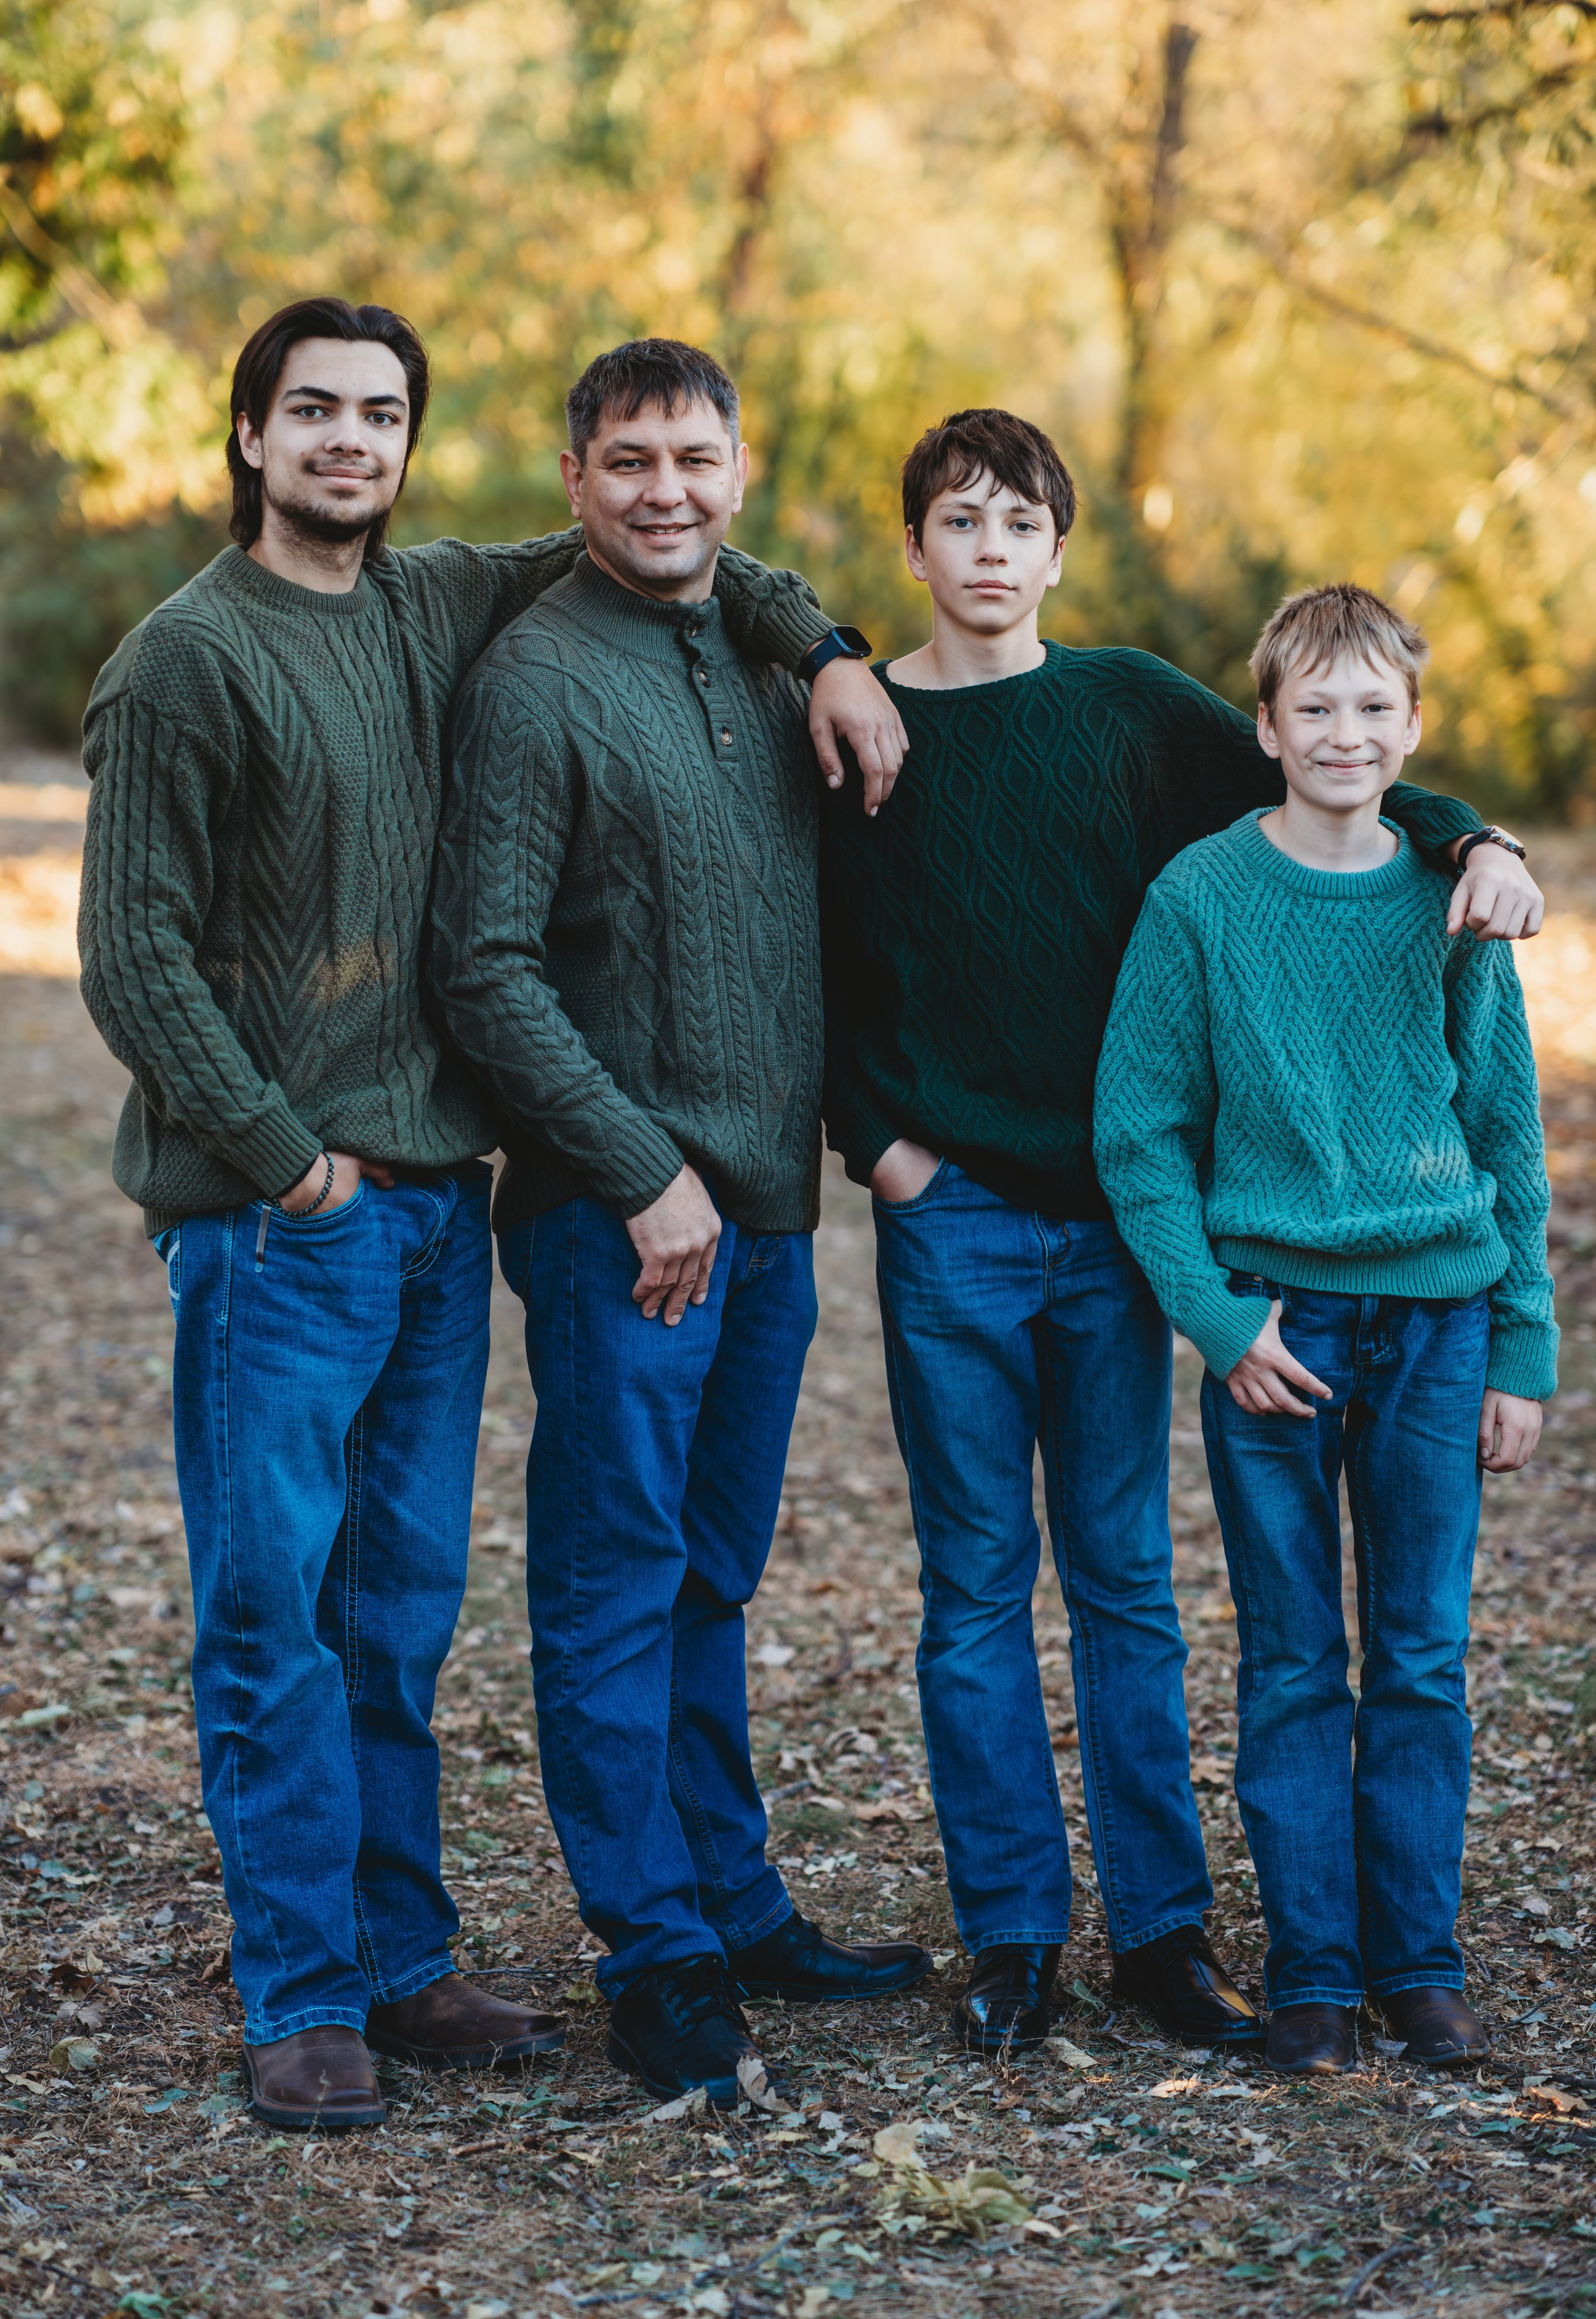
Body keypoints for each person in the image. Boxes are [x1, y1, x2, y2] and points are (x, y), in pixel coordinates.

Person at [77, 297, 906, 2133]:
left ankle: (397, 1957)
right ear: (248, 439)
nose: (348, 443)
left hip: (439, 1207)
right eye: (312, 414)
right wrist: (288, 1160)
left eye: (378, 415)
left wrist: (832, 645)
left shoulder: (436, 600)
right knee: (270, 1611)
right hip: (284, 1217)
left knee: (397, 1611)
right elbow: (130, 955)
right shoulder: (184, 660)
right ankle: (303, 1993)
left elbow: (670, 542)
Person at [818, 408, 1544, 2059]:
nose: (991, 549)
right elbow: (829, 952)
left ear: (1059, 550)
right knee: (975, 1592)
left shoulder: (1131, 704)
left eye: (1021, 523)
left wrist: (1479, 834)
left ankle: (1158, 1931)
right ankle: (1014, 1934)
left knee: (1128, 1584)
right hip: (956, 1221)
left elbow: (1335, 762)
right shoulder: (860, 730)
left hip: (1124, 1230)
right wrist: (882, 1146)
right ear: (917, 547)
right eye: (960, 522)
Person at [431, 337, 930, 2110]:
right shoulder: (533, 679)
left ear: (738, 468)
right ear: (574, 478)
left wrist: (842, 647)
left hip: (771, 1215)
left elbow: (782, 600)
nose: (666, 491)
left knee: (714, 1576)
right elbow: (482, 968)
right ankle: (653, 1951)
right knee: (614, 1580)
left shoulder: (758, 640)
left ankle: (734, 1902)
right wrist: (639, 1176)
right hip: (618, 1222)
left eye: (696, 458)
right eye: (629, 460)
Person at [1094, 582, 1555, 2074]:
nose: (1343, 734)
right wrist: (1218, 1321)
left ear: (1411, 730)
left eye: (1374, 710)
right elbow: (1140, 1136)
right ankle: (1308, 1972)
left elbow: (1503, 1126)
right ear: (1265, 727)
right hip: (1275, 1342)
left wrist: (1522, 1344)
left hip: (1435, 1320)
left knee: (1416, 1653)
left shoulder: (1451, 896)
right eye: (1314, 709)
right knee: (1292, 1660)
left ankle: (1416, 1964)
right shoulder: (1199, 899)